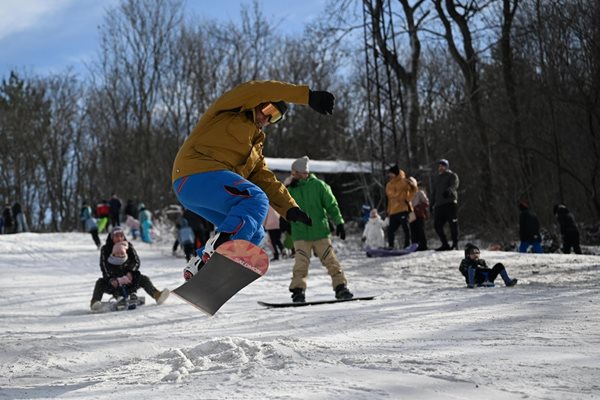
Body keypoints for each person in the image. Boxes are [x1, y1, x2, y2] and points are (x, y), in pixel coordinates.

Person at [172, 80, 334, 281]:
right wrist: (307, 96)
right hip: (196, 170)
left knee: (255, 234)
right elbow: (259, 89)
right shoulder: (231, 108)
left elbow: (265, 178)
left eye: (274, 117)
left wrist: (290, 208)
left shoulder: (255, 148)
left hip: (200, 190)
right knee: (256, 199)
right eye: (268, 109)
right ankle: (221, 249)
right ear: (258, 102)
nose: (267, 117)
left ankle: (201, 266)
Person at [286, 156, 353, 302]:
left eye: (294, 172)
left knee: (331, 261)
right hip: (300, 233)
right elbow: (283, 207)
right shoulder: (290, 189)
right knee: (301, 264)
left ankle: (341, 287)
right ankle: (298, 291)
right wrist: (284, 221)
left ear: (301, 172)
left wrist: (339, 222)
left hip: (320, 232)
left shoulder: (319, 186)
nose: (292, 174)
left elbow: (331, 205)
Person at [90, 227, 169, 311]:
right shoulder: (105, 249)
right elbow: (104, 266)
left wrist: (130, 272)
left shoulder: (128, 246)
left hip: (129, 278)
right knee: (100, 283)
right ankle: (95, 302)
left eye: (121, 236)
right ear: (112, 237)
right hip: (113, 280)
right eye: (116, 236)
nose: (119, 238)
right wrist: (111, 278)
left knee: (144, 279)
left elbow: (136, 261)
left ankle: (156, 295)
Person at [385, 165, 417, 249]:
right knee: (390, 230)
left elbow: (413, 190)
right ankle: (391, 246)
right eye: (389, 174)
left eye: (391, 173)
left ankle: (407, 244)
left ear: (395, 173)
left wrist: (408, 199)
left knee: (405, 228)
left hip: (403, 209)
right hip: (393, 211)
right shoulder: (389, 184)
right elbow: (390, 198)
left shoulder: (404, 181)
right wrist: (388, 210)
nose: (390, 175)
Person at [431, 159, 459, 251]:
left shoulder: (452, 175)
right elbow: (434, 192)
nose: (441, 167)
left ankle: (455, 244)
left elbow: (454, 185)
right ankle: (445, 244)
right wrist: (432, 203)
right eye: (439, 166)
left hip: (450, 203)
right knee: (437, 225)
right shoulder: (437, 178)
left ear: (447, 166)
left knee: (453, 224)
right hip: (439, 205)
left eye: (443, 165)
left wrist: (449, 191)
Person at [409, 179, 430, 251]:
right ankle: (414, 246)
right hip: (411, 213)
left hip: (419, 213)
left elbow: (426, 202)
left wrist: (419, 207)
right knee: (413, 230)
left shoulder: (420, 192)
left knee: (420, 229)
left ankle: (423, 245)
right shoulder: (407, 194)